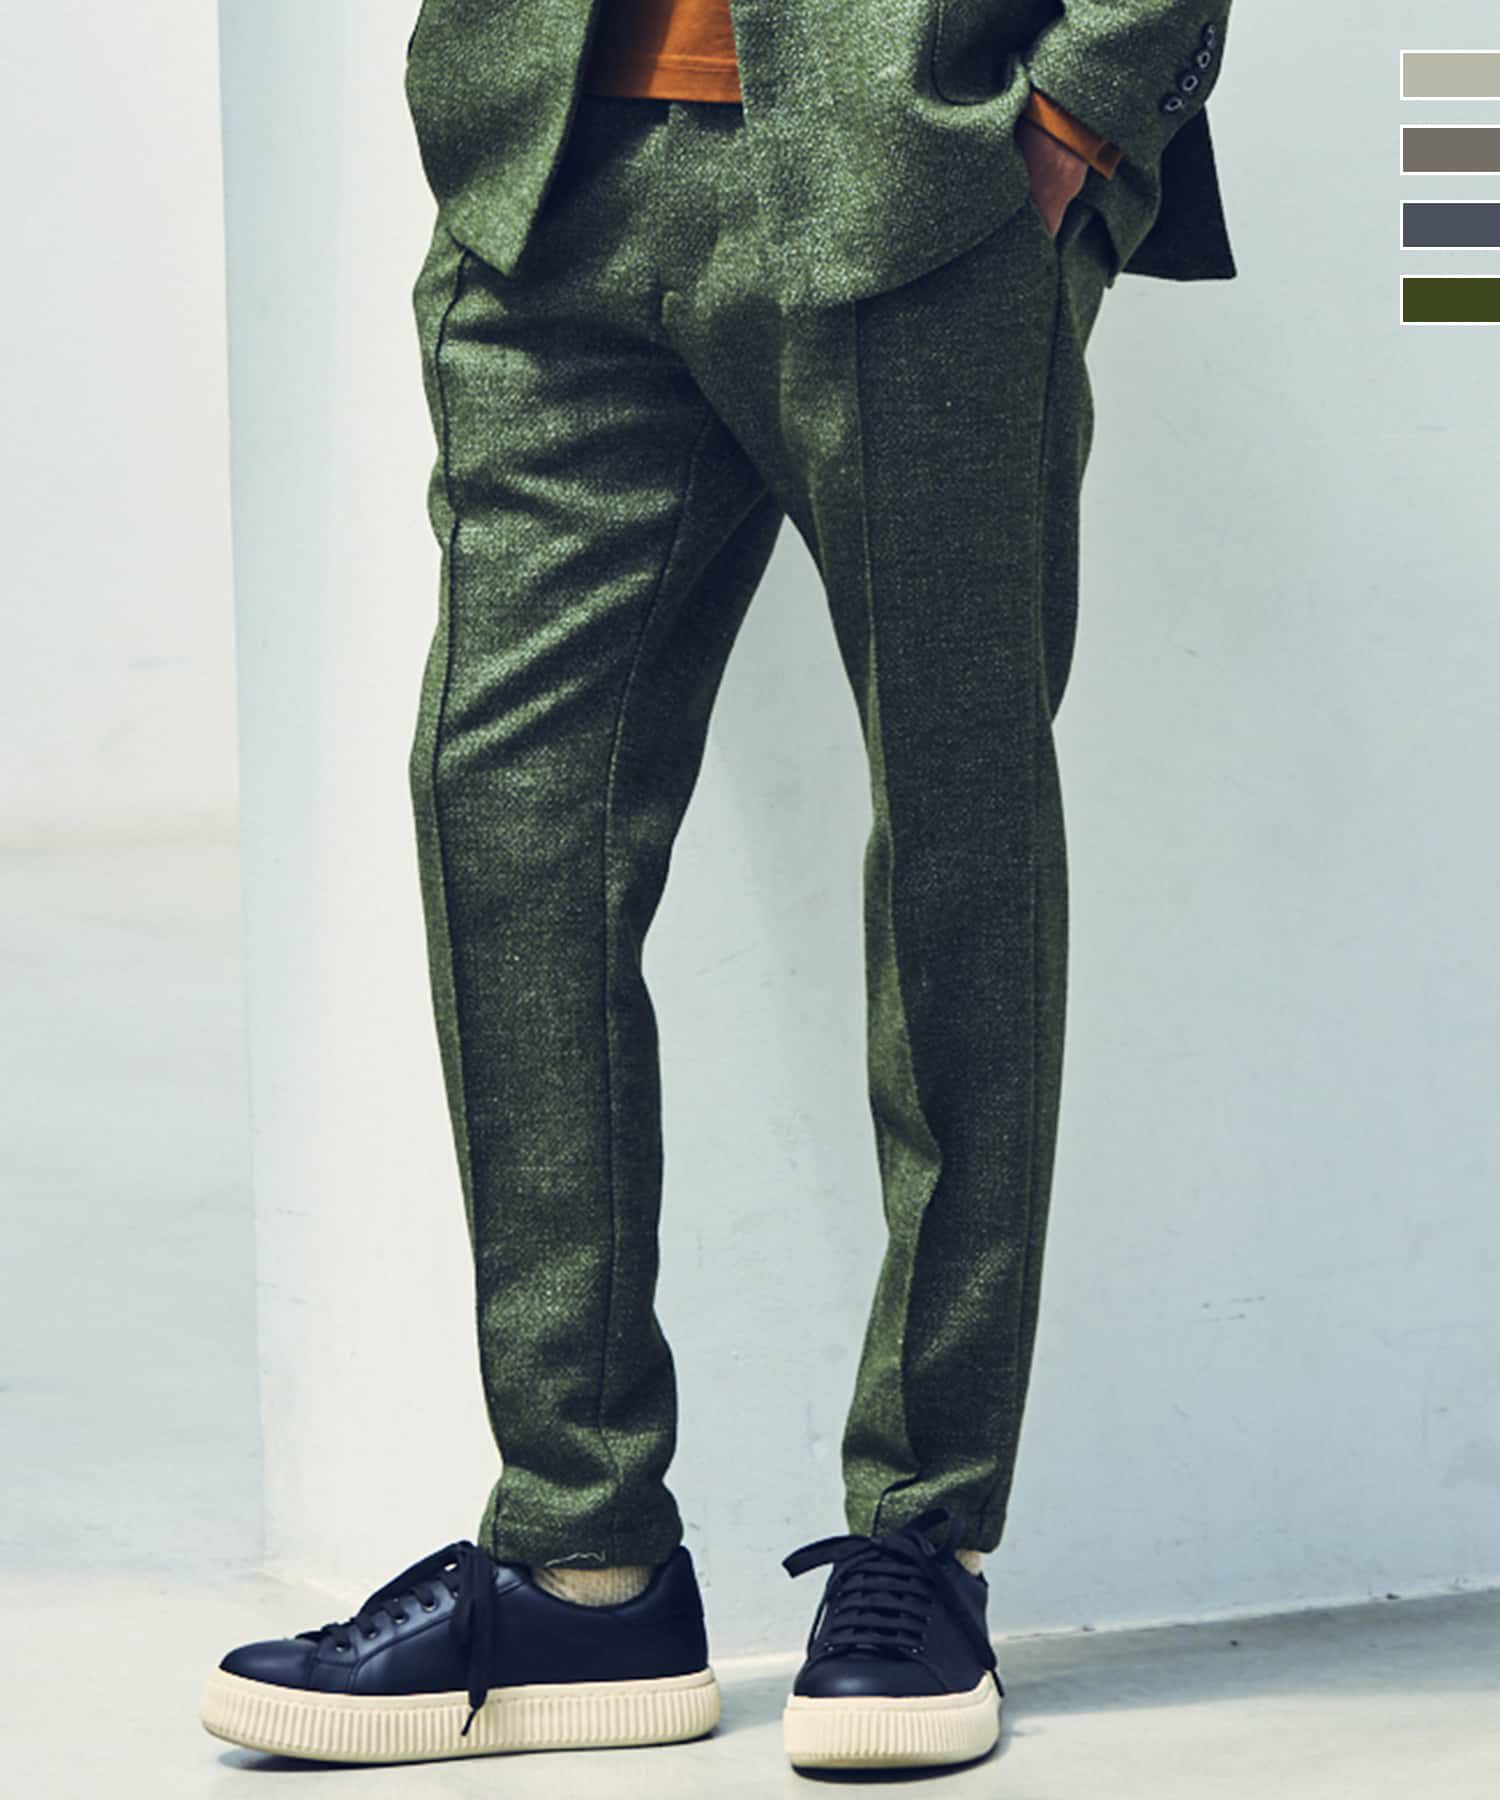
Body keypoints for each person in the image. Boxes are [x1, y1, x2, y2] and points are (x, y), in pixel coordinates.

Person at [201, 0, 1235, 1774]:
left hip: (921, 165)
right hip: (554, 168)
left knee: (959, 836)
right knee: (503, 807)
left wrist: (1080, 112)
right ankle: (580, 1561)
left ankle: (925, 1533)